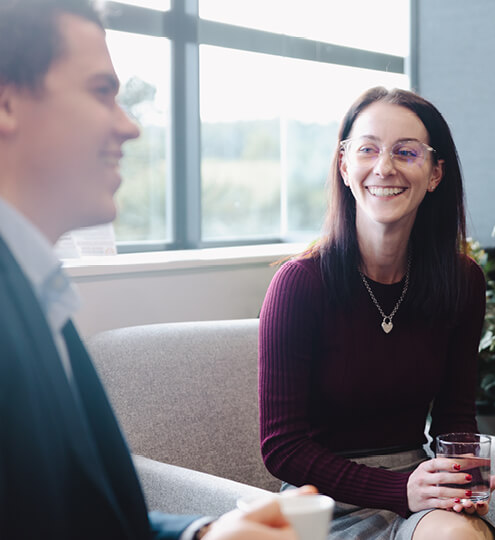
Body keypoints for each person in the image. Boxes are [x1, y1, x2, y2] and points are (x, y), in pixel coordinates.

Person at [0, 1, 314, 538]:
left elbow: (84, 518)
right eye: (102, 91)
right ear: (7, 101)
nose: (130, 127)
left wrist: (206, 533)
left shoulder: (36, 287)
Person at [259, 87, 495, 539]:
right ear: (344, 166)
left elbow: (455, 416)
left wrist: (458, 477)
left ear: (434, 174)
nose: (384, 167)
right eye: (367, 149)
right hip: (320, 501)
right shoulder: (299, 284)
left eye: (406, 152)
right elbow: (282, 448)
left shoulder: (462, 281)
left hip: (416, 490)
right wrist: (399, 489)